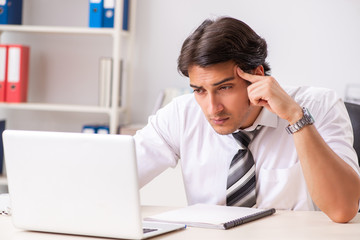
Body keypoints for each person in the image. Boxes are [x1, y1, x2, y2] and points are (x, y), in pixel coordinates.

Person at [134, 16, 360, 223]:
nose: (213, 108)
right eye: (200, 90)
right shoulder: (180, 115)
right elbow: (115, 177)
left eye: (224, 87)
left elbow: (343, 210)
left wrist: (296, 119)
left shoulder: (319, 105)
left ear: (257, 76)